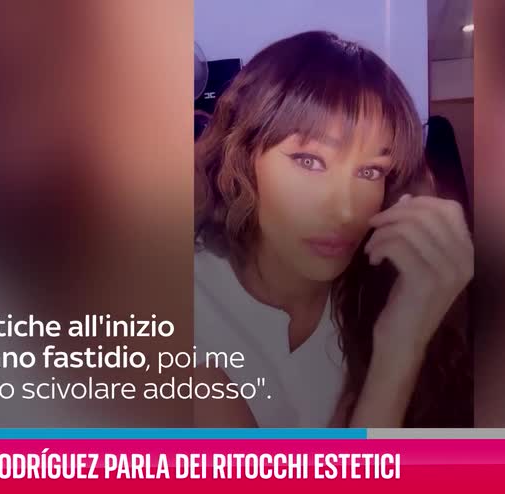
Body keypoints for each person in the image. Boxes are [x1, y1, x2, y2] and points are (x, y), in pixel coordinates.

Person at [193, 31, 473, 427]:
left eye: (370, 171)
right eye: (309, 161)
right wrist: (399, 351)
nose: (345, 211)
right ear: (242, 158)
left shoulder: (374, 293)